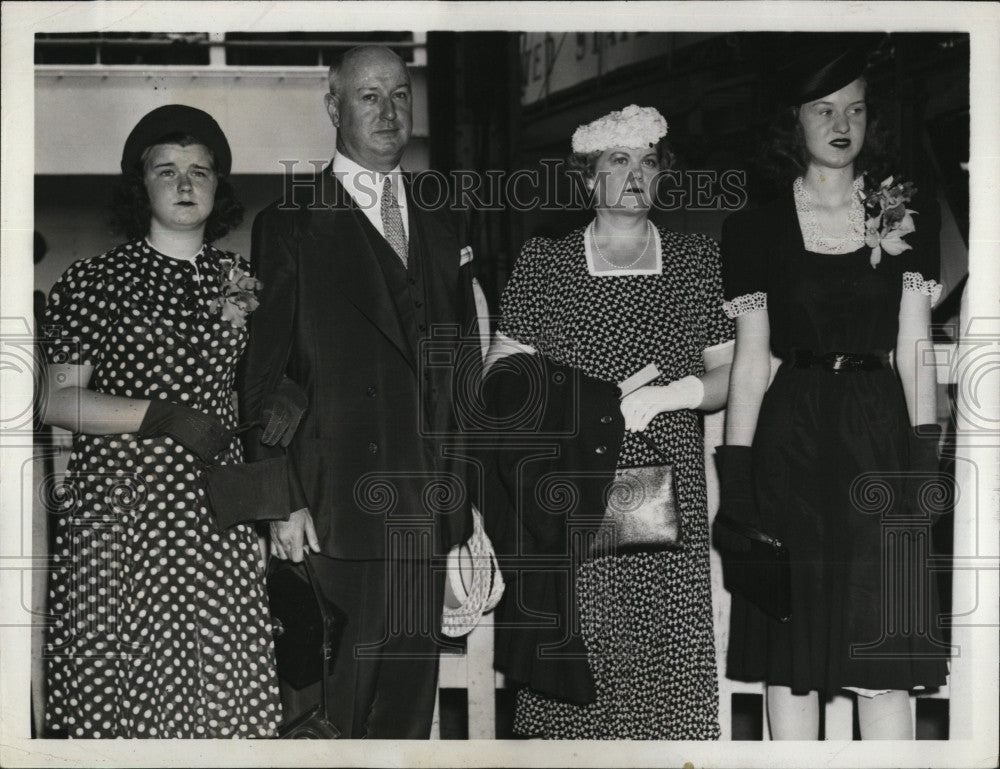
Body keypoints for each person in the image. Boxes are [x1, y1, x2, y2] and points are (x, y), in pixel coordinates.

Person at [239, 45, 479, 739]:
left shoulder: (440, 220)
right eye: (368, 95)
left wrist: (459, 516)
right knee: (330, 718)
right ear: (333, 106)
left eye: (400, 94)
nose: (388, 110)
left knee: (405, 719)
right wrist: (279, 498)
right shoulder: (289, 223)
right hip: (331, 515)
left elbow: (457, 376)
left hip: (423, 519)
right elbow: (266, 379)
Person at [718, 43, 949, 739]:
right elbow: (752, 363)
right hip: (791, 445)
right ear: (795, 123)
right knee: (789, 664)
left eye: (855, 108)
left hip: (878, 439)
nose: (841, 123)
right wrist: (737, 481)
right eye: (824, 109)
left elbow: (915, 349)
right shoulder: (753, 229)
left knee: (882, 658)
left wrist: (922, 461)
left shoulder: (904, 212)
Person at [485, 105, 734, 739]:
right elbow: (501, 380)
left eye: (648, 161)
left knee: (662, 654)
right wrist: (587, 399)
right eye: (617, 161)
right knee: (583, 654)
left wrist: (677, 391)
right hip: (576, 492)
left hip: (672, 490)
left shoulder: (695, 261)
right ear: (587, 176)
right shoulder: (547, 262)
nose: (634, 174)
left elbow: (729, 373)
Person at [41, 105, 283, 737]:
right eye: (166, 170)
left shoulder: (245, 282)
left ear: (218, 188)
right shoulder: (97, 279)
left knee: (220, 680)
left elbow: (263, 399)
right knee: (114, 672)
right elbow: (56, 400)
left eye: (200, 171)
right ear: (140, 184)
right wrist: (161, 416)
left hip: (214, 512)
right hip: (118, 507)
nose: (184, 184)